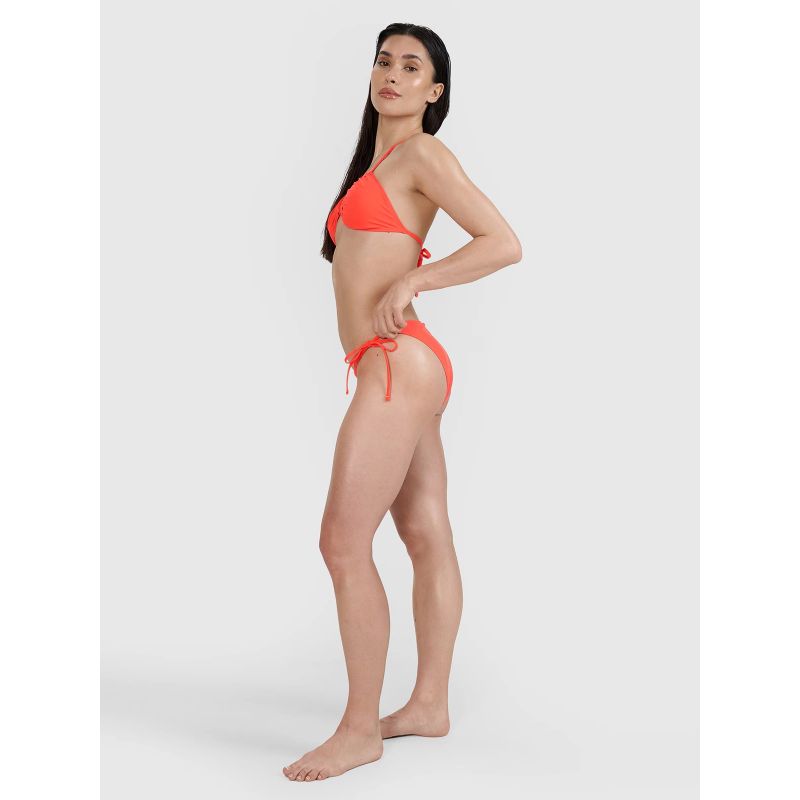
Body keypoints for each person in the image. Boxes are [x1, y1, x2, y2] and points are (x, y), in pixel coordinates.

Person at [283, 23, 522, 782]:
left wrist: (418, 278)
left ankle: (360, 730)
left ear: (434, 90)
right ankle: (429, 704)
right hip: (397, 365)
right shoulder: (379, 162)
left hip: (397, 364)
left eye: (411, 67)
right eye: (383, 61)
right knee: (424, 532)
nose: (391, 74)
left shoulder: (422, 154)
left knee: (342, 543)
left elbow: (502, 241)